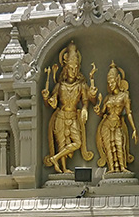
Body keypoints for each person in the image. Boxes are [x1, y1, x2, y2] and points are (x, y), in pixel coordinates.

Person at [42, 40, 98, 173]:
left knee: (77, 143)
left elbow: (87, 100)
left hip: (73, 116)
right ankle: (63, 168)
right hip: (60, 117)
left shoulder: (80, 85)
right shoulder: (59, 86)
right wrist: (46, 98)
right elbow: (50, 104)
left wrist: (85, 108)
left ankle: (55, 158)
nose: (73, 71)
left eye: (75, 68)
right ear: (65, 68)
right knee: (61, 144)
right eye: (70, 68)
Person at [94, 62, 138, 173]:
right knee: (108, 146)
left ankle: (122, 167)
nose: (110, 85)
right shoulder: (107, 97)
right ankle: (112, 168)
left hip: (117, 123)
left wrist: (134, 129)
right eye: (109, 82)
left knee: (119, 144)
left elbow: (128, 113)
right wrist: (98, 110)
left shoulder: (124, 96)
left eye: (112, 82)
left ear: (118, 80)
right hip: (107, 124)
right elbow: (102, 113)